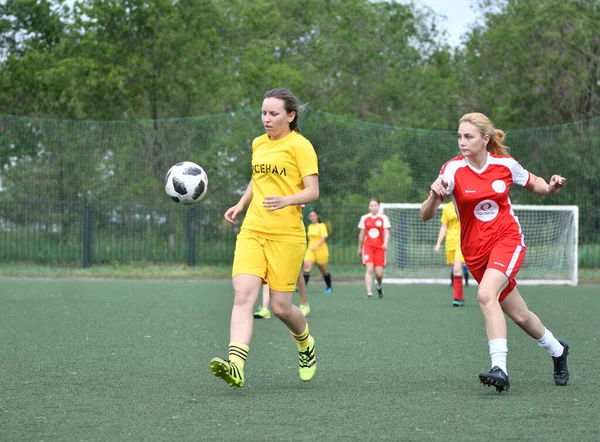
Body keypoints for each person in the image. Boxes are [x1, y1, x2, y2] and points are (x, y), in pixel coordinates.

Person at [420, 112, 569, 393]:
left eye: (469, 137)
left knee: (486, 295)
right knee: (521, 316)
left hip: (507, 240)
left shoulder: (505, 165)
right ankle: (558, 349)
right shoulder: (452, 170)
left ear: (485, 140)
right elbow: (426, 215)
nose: (462, 142)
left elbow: (535, 182)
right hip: (475, 253)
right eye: (459, 137)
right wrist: (432, 195)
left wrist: (551, 187)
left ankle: (499, 367)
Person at [211, 87, 319, 388]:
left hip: (287, 235)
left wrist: (287, 200)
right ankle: (236, 366)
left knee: (280, 307)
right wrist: (242, 203)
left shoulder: (301, 146)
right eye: (263, 113)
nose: (266, 119)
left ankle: (305, 342)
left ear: (291, 115)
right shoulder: (259, 143)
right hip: (253, 230)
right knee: (244, 295)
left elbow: (313, 191)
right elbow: (258, 179)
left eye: (273, 113)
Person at [434, 200, 467, 306]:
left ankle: (456, 298)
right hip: (450, 242)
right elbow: (444, 226)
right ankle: (460, 298)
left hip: (462, 242)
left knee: (457, 269)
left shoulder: (465, 204)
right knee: (455, 270)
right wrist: (438, 243)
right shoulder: (447, 208)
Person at [357, 199, 391, 299]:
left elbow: (387, 232)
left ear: (378, 206)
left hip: (380, 247)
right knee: (369, 269)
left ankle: (379, 286)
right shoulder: (364, 218)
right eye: (371, 205)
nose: (373, 207)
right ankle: (369, 293)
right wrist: (359, 247)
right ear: (368, 207)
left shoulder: (383, 218)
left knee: (379, 273)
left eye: (375, 205)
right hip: (368, 246)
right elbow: (362, 234)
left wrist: (385, 243)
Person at [302, 209, 333, 294]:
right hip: (310, 250)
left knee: (323, 269)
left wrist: (316, 245)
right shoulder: (309, 227)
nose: (312, 217)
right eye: (310, 216)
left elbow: (323, 237)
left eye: (314, 215)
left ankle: (329, 286)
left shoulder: (321, 225)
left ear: (317, 216)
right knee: (307, 266)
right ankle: (303, 287)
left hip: (321, 250)